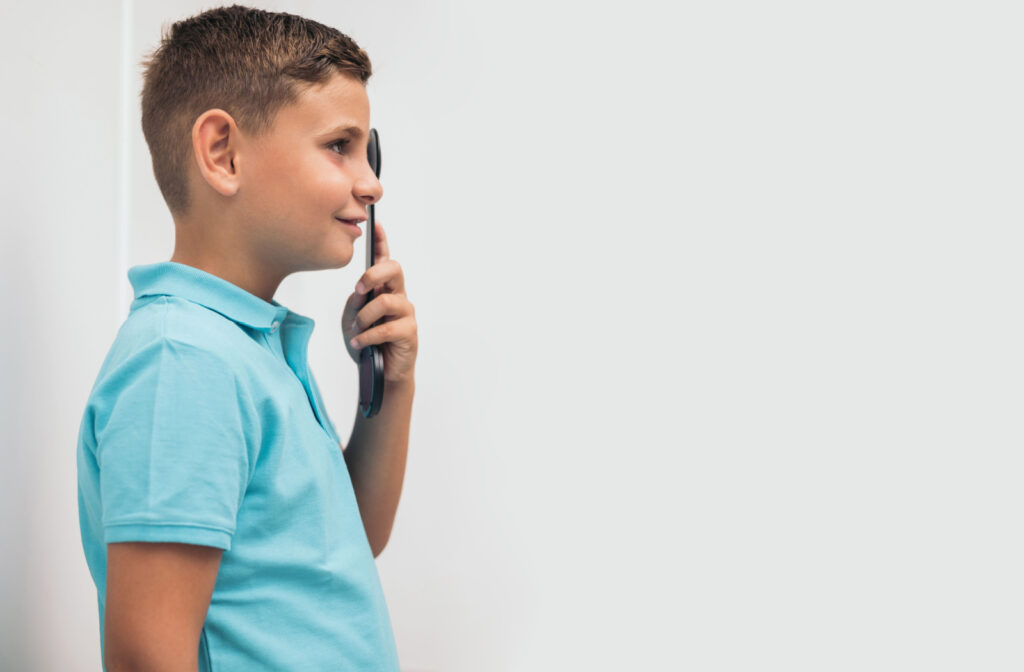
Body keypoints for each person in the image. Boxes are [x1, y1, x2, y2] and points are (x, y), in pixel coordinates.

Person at [75, 5, 418, 670]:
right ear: (223, 154)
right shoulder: (184, 362)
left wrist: (390, 385)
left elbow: (347, 543)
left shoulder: (247, 348)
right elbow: (148, 657)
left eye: (366, 151)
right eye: (339, 145)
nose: (371, 183)